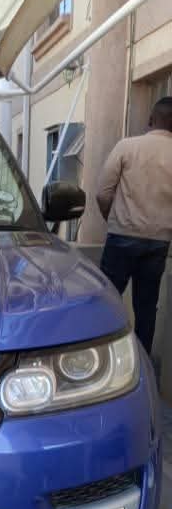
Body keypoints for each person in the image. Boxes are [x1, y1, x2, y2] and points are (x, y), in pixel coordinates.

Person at [97, 96, 172, 354]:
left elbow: (103, 193)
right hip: (159, 241)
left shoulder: (127, 147)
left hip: (122, 236)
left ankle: (102, 357)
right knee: (146, 307)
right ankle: (142, 363)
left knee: (106, 301)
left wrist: (113, 220)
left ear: (151, 120)